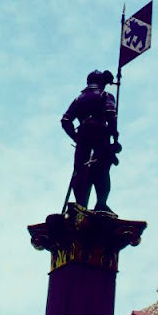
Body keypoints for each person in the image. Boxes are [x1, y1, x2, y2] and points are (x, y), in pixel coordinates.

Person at [61, 69, 120, 212]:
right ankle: (101, 204)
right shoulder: (106, 95)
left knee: (80, 170)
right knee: (102, 171)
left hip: (83, 138)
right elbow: (111, 116)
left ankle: (81, 205)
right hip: (100, 136)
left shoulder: (78, 99)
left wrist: (76, 137)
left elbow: (65, 120)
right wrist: (115, 137)